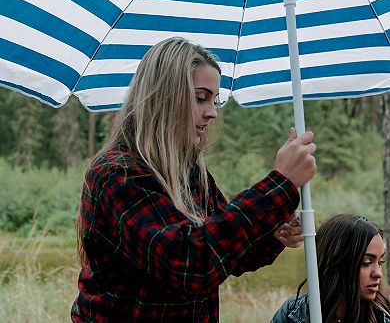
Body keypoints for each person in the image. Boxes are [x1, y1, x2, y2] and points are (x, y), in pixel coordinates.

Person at [71, 37, 317, 322]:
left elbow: (226, 252)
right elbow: (191, 262)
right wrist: (280, 184)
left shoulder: (190, 172)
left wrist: (272, 232)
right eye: (201, 98)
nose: (212, 112)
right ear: (164, 96)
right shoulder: (118, 173)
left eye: (215, 100)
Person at [271, 214, 390, 323]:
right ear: (338, 262)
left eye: (380, 262)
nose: (378, 273)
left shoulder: (382, 317)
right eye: (366, 262)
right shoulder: (294, 313)